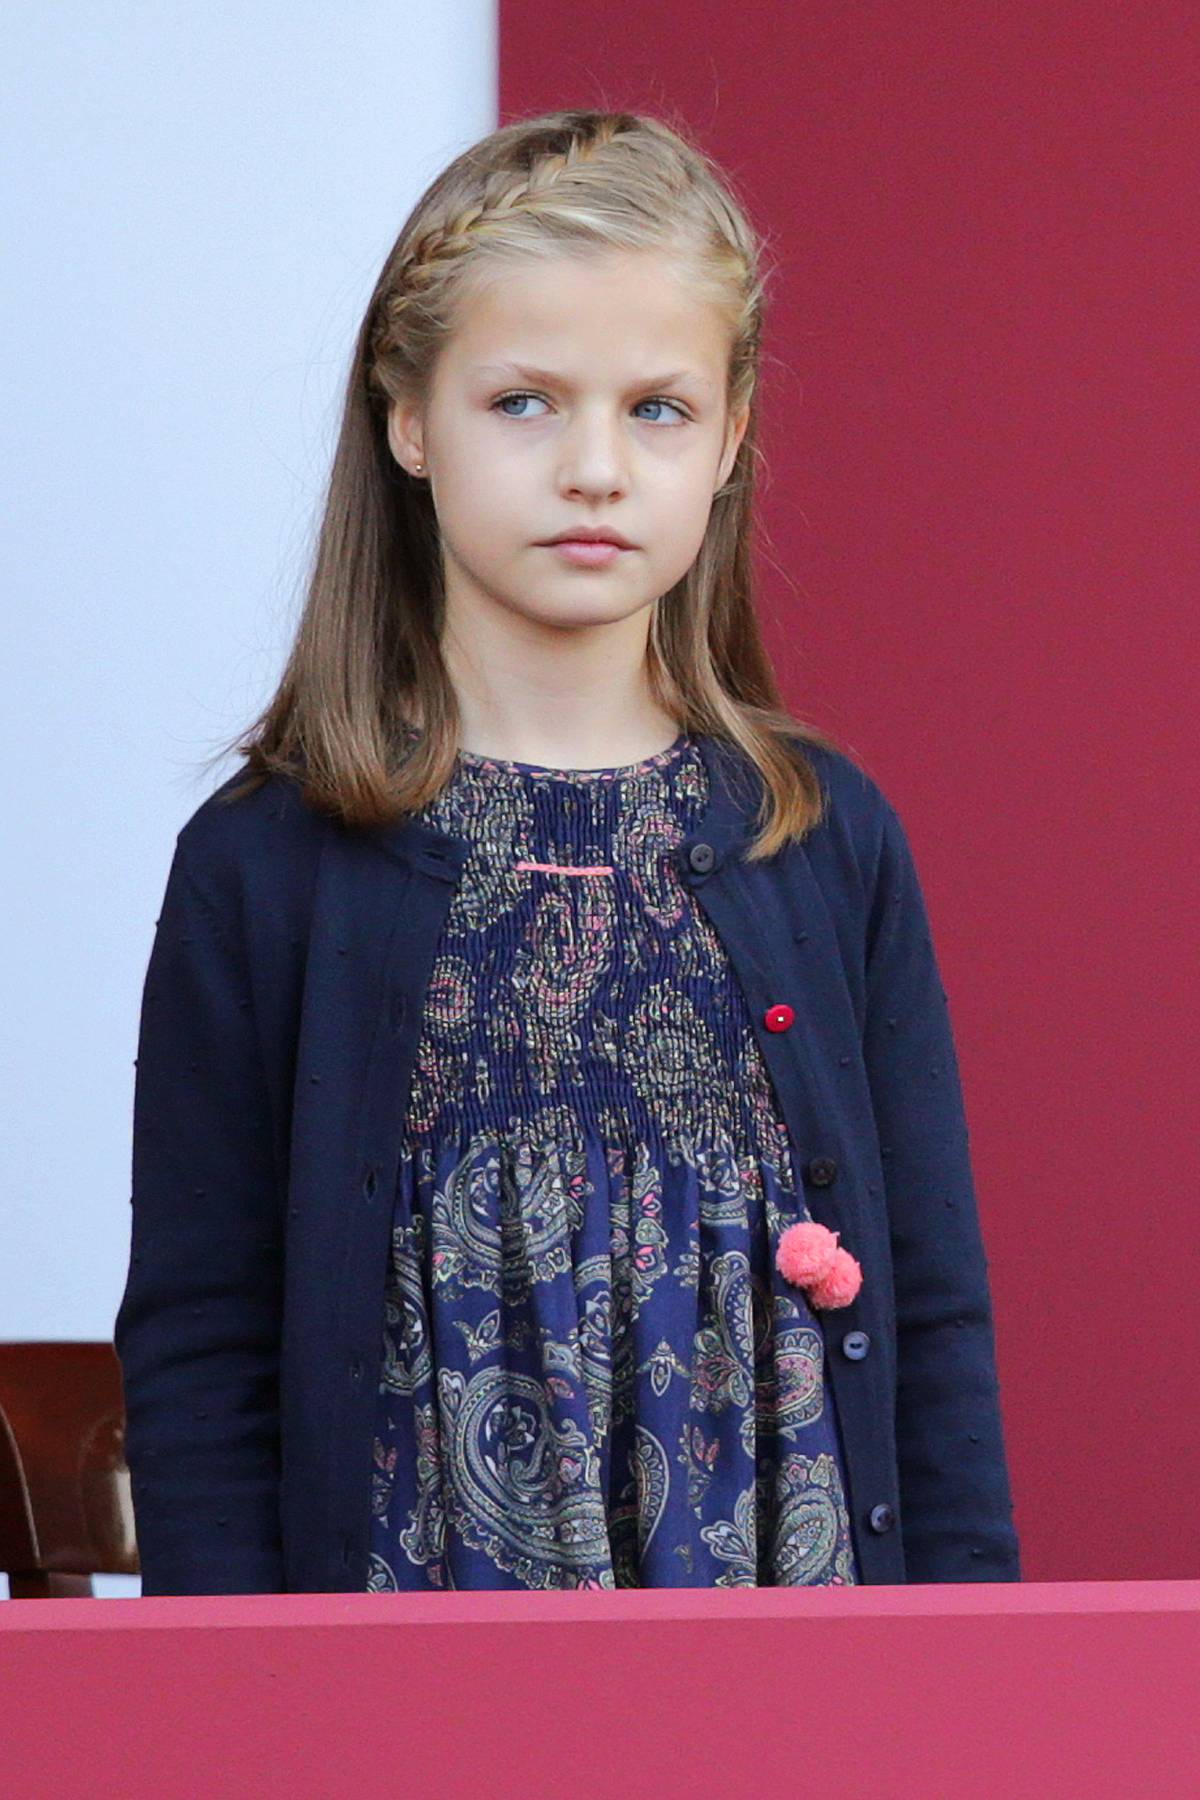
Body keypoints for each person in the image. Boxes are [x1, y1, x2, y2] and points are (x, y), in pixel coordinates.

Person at [114, 107, 1021, 1595]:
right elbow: (206, 1343)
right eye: (524, 402)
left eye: (656, 409)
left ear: (732, 438)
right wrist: (237, 1701)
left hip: (789, 1694)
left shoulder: (825, 839)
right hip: (403, 1707)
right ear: (409, 419)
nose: (594, 466)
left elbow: (928, 1321)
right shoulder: (267, 863)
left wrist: (966, 1676)